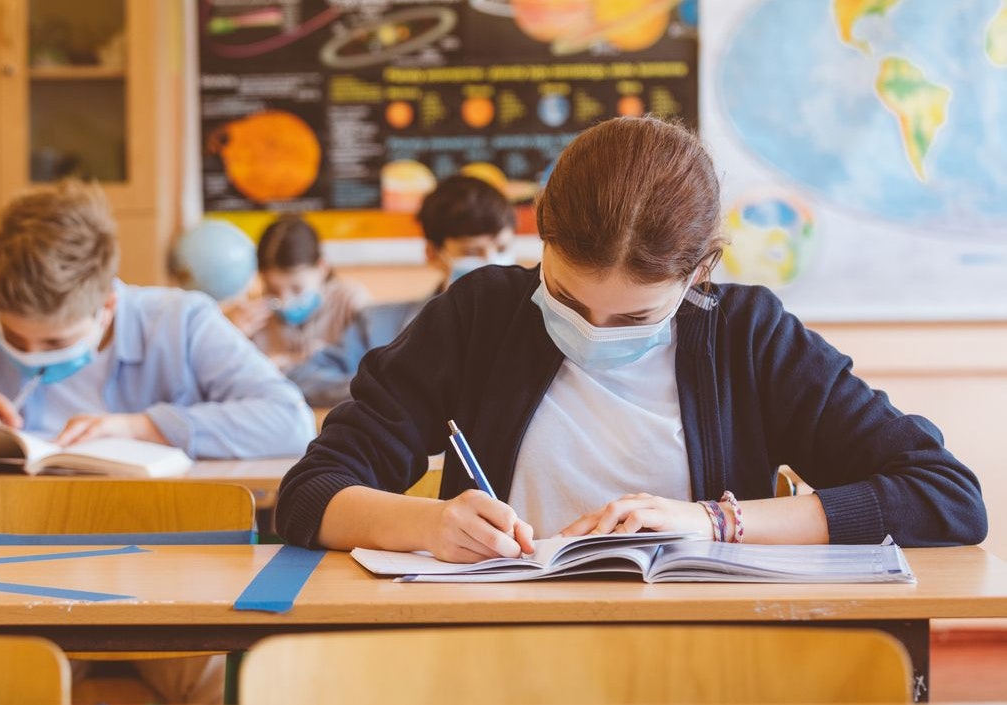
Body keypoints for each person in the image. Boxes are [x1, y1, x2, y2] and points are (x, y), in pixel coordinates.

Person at [275, 116, 987, 561]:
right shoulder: (479, 314)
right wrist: (427, 524)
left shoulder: (747, 334)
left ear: (700, 272)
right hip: (495, 654)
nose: (590, 331)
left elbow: (945, 496)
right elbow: (310, 493)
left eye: (634, 319)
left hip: (704, 661)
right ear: (542, 236)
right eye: (565, 298)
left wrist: (715, 522)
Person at [0, 180, 317, 704]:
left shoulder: (182, 321)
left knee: (241, 687)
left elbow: (289, 420)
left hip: (173, 593)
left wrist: (144, 425)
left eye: (54, 342)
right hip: (20, 592)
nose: (31, 354)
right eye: (16, 339)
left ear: (109, 304)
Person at [286, 175, 516, 406]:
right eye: (472, 253)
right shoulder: (376, 324)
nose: (492, 263)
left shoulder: (537, 321)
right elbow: (304, 379)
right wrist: (387, 388)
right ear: (433, 254)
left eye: (502, 248)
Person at [223, 216, 370, 371]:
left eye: (297, 289)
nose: (285, 302)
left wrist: (291, 361)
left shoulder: (350, 301)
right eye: (272, 289)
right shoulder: (250, 317)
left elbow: (373, 365)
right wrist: (230, 337)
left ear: (322, 268)